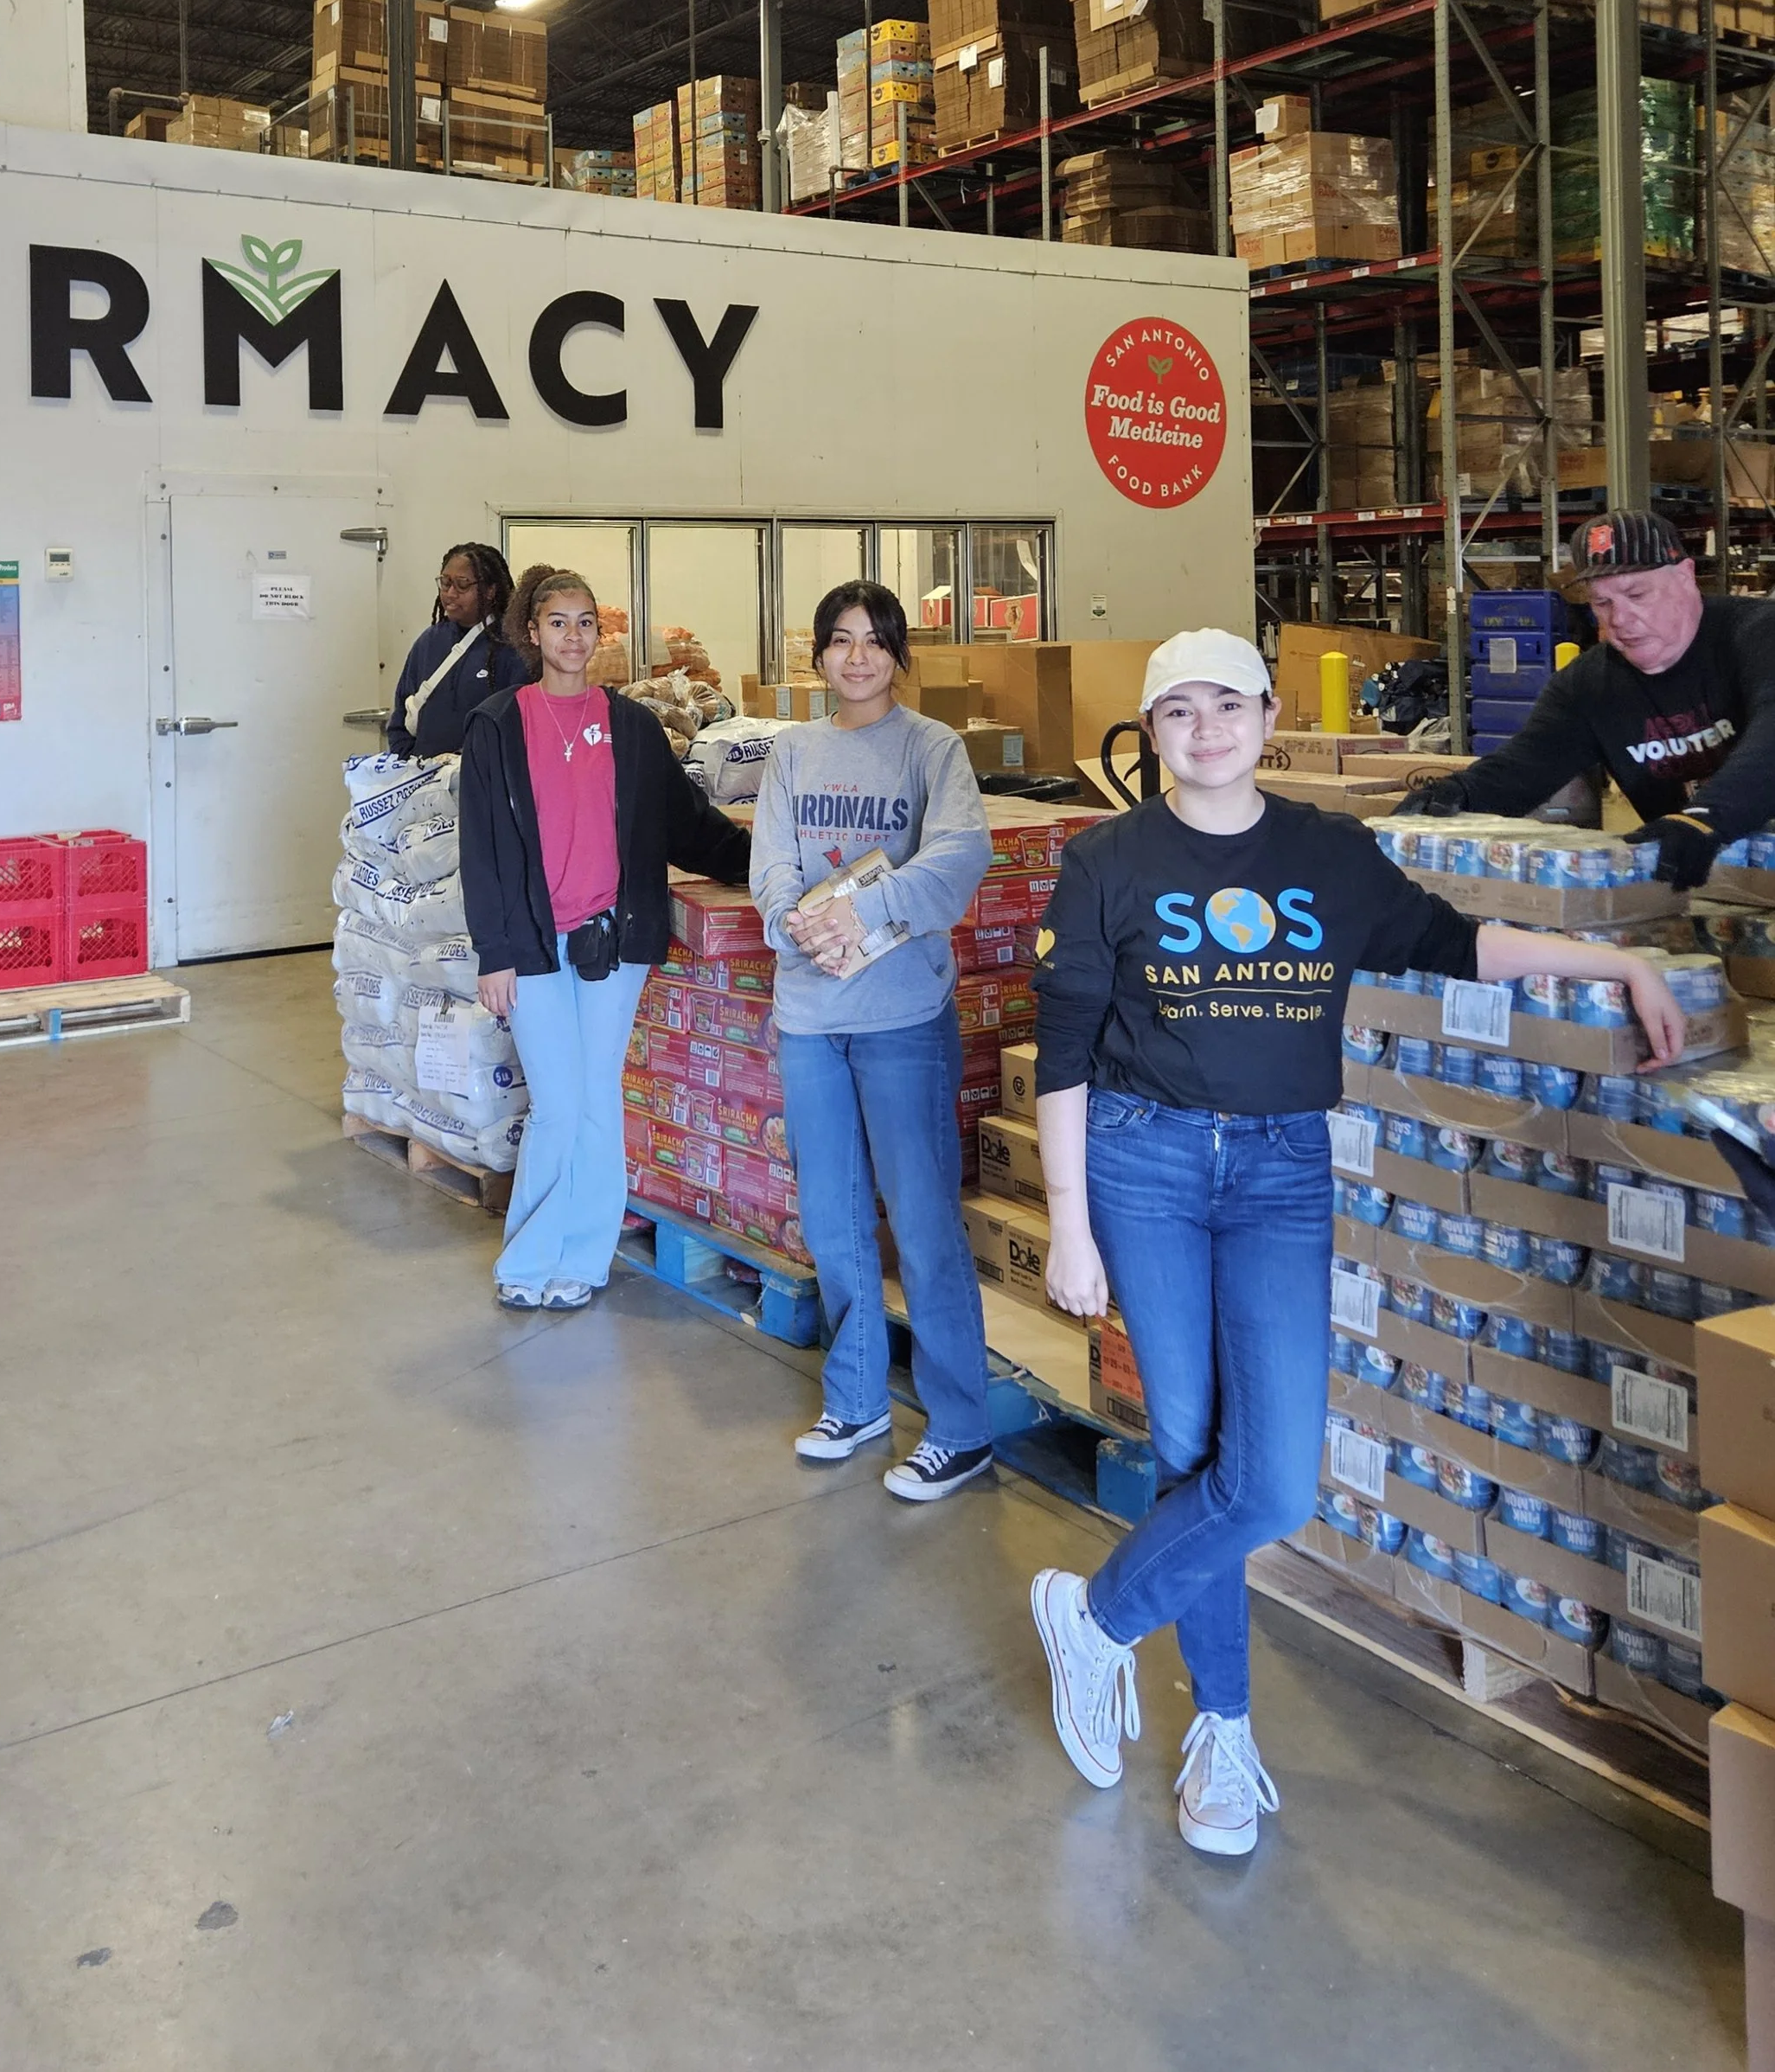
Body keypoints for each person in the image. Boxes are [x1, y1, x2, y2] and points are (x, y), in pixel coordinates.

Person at [1028, 626, 1685, 1859]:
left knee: (1266, 1480)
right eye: (1180, 712)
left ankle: (1096, 1618)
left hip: (1280, 1171)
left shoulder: (1329, 856)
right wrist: (1068, 1221)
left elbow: (1454, 945)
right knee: (1191, 1454)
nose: (1207, 729)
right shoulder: (1106, 860)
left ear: (1269, 715)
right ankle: (1223, 1733)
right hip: (1144, 1160)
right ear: (1152, 731)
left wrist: (1610, 958)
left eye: (1229, 705)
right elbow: (1063, 1042)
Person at [750, 579, 997, 1503]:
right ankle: (855, 1400)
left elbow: (957, 858)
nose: (857, 657)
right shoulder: (793, 754)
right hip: (810, 1016)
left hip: (899, 1017)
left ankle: (962, 1425)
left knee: (923, 1219)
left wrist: (863, 911)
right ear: (814, 655)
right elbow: (770, 861)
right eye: (840, 641)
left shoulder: (933, 750)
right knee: (834, 1217)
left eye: (875, 641)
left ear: (899, 655)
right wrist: (799, 924)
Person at [458, 569, 751, 1313]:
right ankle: (528, 1254)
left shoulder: (631, 726)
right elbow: (483, 849)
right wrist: (494, 951)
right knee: (557, 1104)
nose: (573, 636)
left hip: (612, 943)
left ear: (599, 633)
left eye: (586, 622)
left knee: (595, 1100)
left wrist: (766, 863)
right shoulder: (498, 724)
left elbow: (687, 823)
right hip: (530, 943)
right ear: (533, 631)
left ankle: (582, 1259)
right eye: (558, 622)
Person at [1400, 510, 1775, 888]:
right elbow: (1526, 766)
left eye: (1636, 594)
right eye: (1602, 603)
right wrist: (1460, 792)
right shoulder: (1588, 687)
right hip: (1722, 888)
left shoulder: (1758, 634)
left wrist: (1706, 818)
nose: (1621, 619)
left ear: (1686, 576)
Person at [384, 542, 525, 758]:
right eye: (445, 582)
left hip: (483, 783)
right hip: (426, 782)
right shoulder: (428, 642)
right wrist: (410, 766)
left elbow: (519, 727)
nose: (450, 593)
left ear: (490, 590)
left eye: (462, 585)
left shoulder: (513, 647)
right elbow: (400, 718)